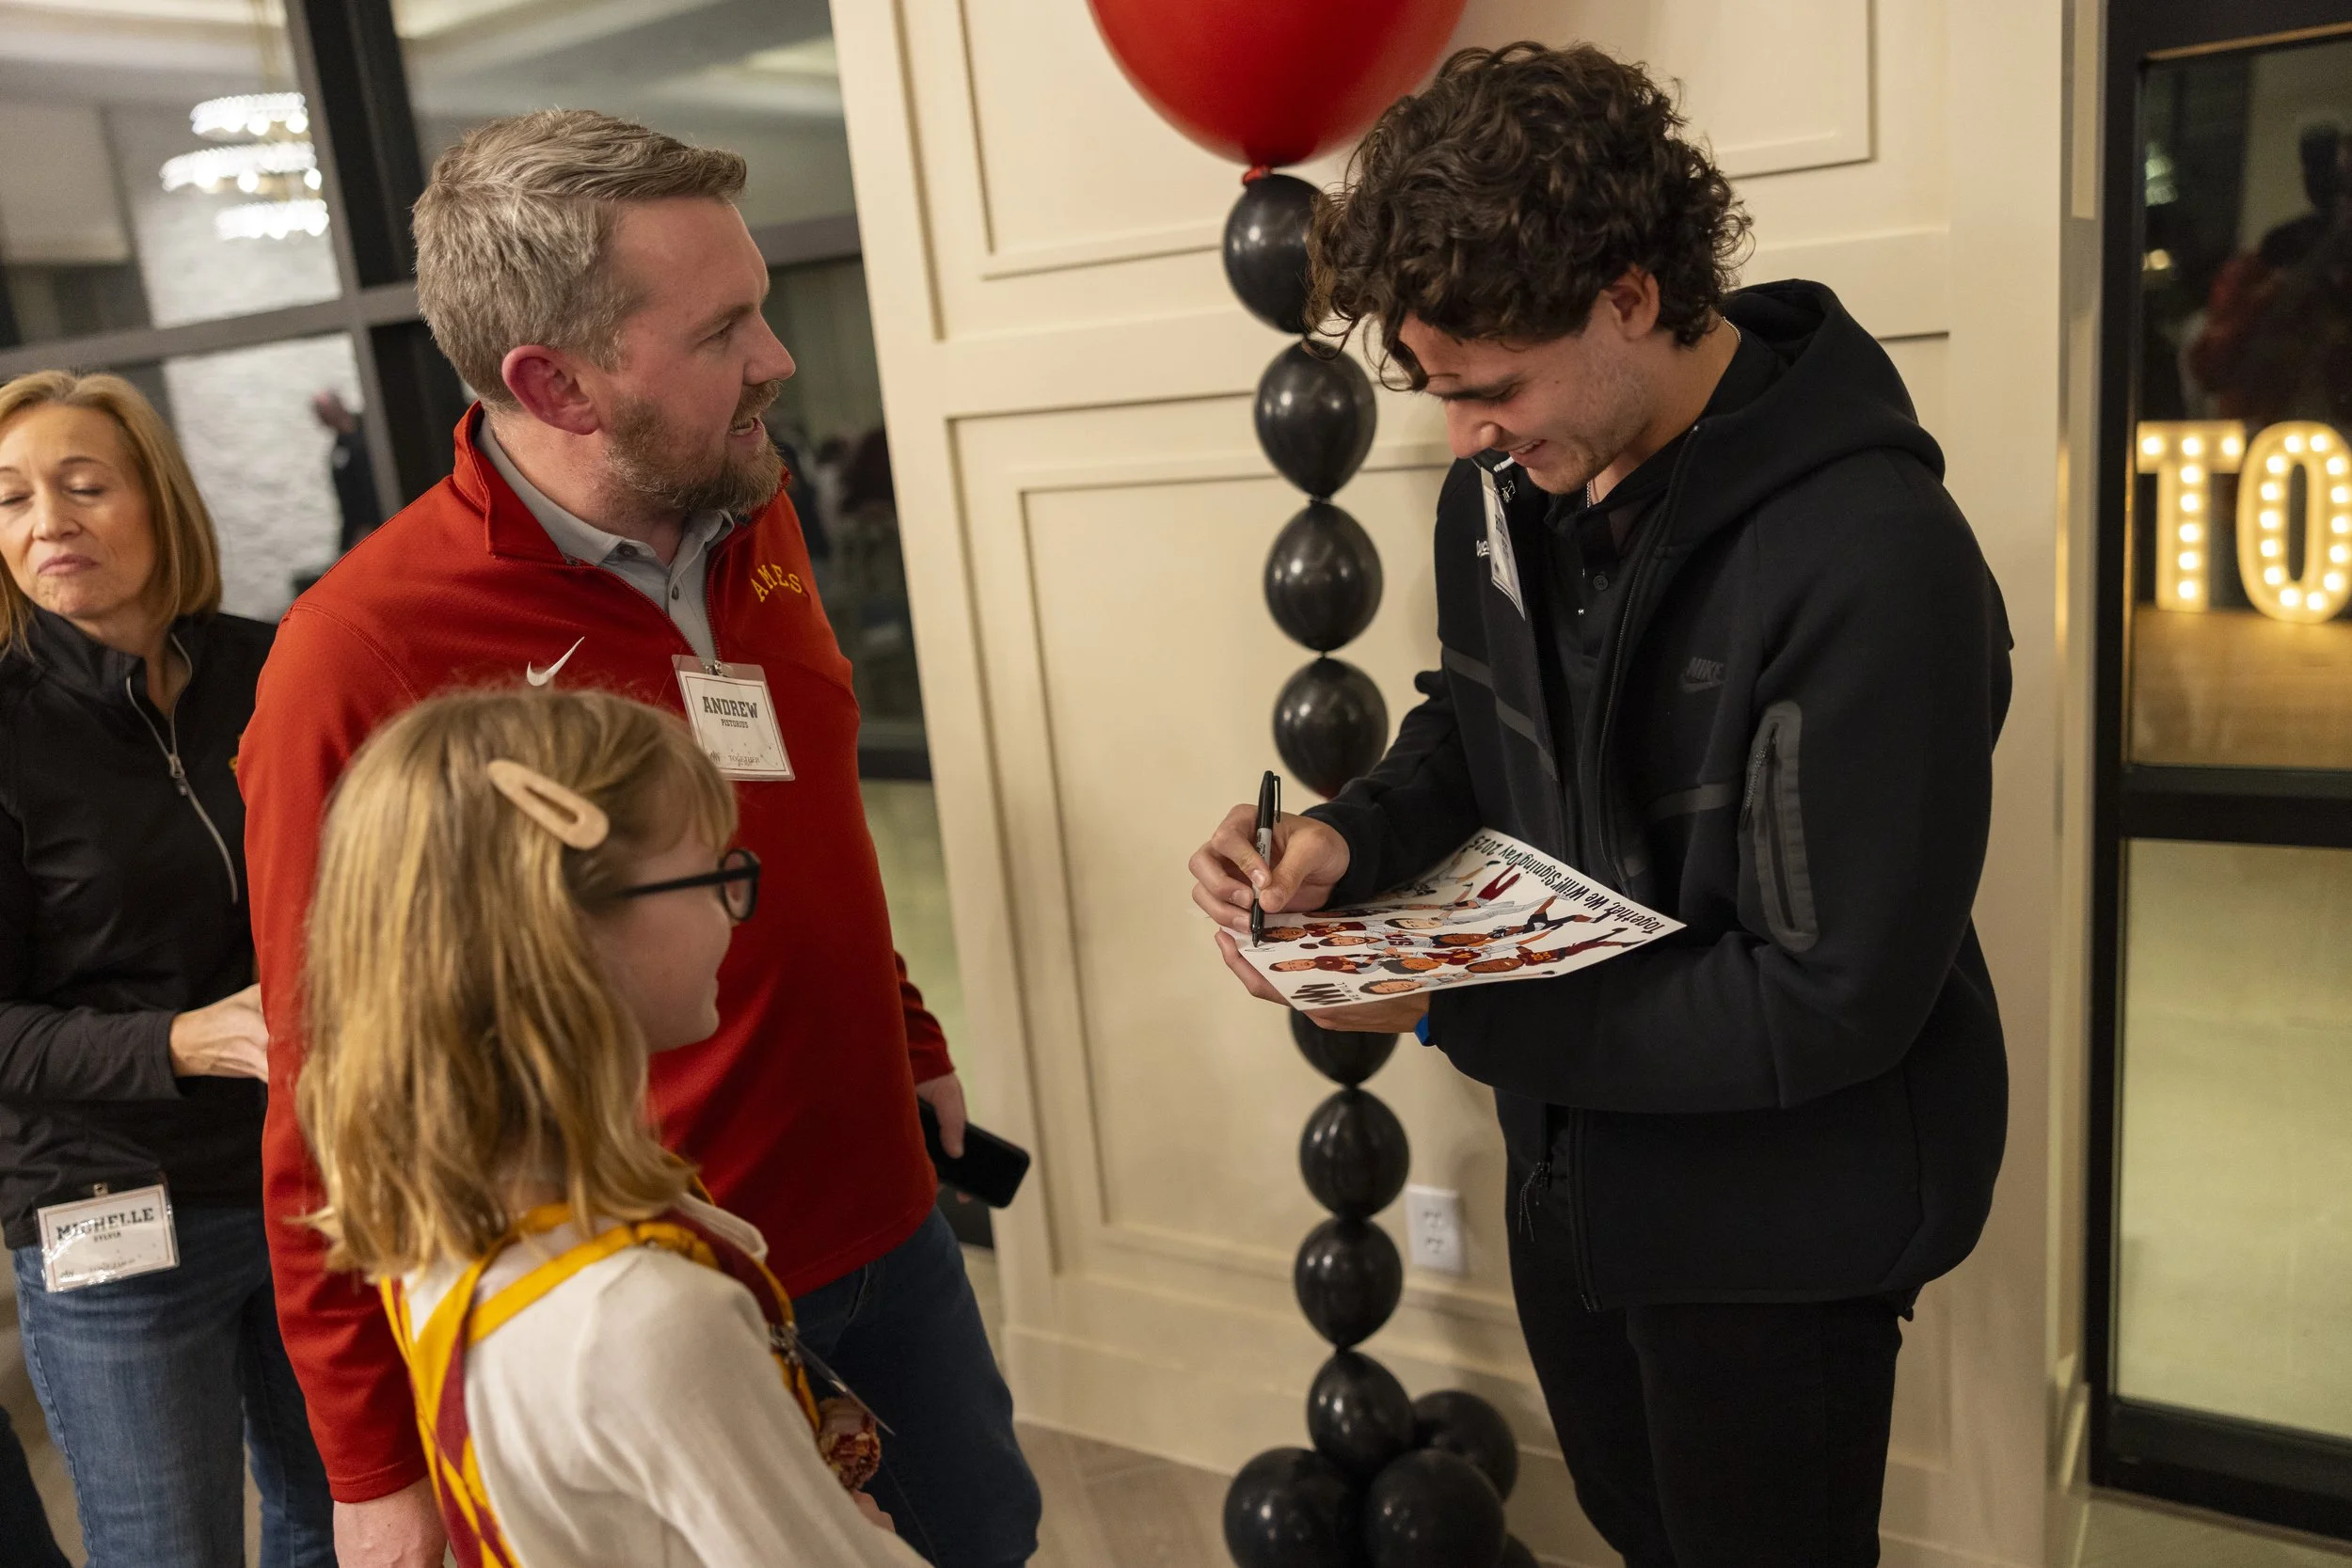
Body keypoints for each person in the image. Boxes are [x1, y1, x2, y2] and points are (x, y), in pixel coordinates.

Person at [1188, 44, 2010, 1568]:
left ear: (1630, 292)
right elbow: (1474, 714)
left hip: (1780, 1214)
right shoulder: (1507, 487)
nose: (1465, 438)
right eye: (1441, 393)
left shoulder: (1878, 559)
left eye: (1492, 388)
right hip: (1573, 1161)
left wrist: (1439, 1007)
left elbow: (1828, 1002)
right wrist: (1349, 834)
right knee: (1635, 1524)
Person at [238, 111, 1040, 1568]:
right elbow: (324, 1075)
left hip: (886, 1211)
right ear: (558, 381)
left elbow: (808, 824)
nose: (776, 361)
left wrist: (910, 1035)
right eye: (726, 327)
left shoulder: (748, 502)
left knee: (980, 1534)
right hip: (649, 1293)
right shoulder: (359, 651)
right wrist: (373, 1461)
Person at [298, 686, 927, 1567]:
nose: (731, 913)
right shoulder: (648, 1319)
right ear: (566, 933)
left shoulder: (443, 1218)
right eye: (712, 875)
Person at [0, 370, 336, 1566]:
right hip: (109, 1209)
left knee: (347, 1520)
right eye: (12, 498)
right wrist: (183, 1038)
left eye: (86, 484)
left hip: (311, 1173)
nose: (50, 521)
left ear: (161, 502)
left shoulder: (277, 668)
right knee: (169, 1548)